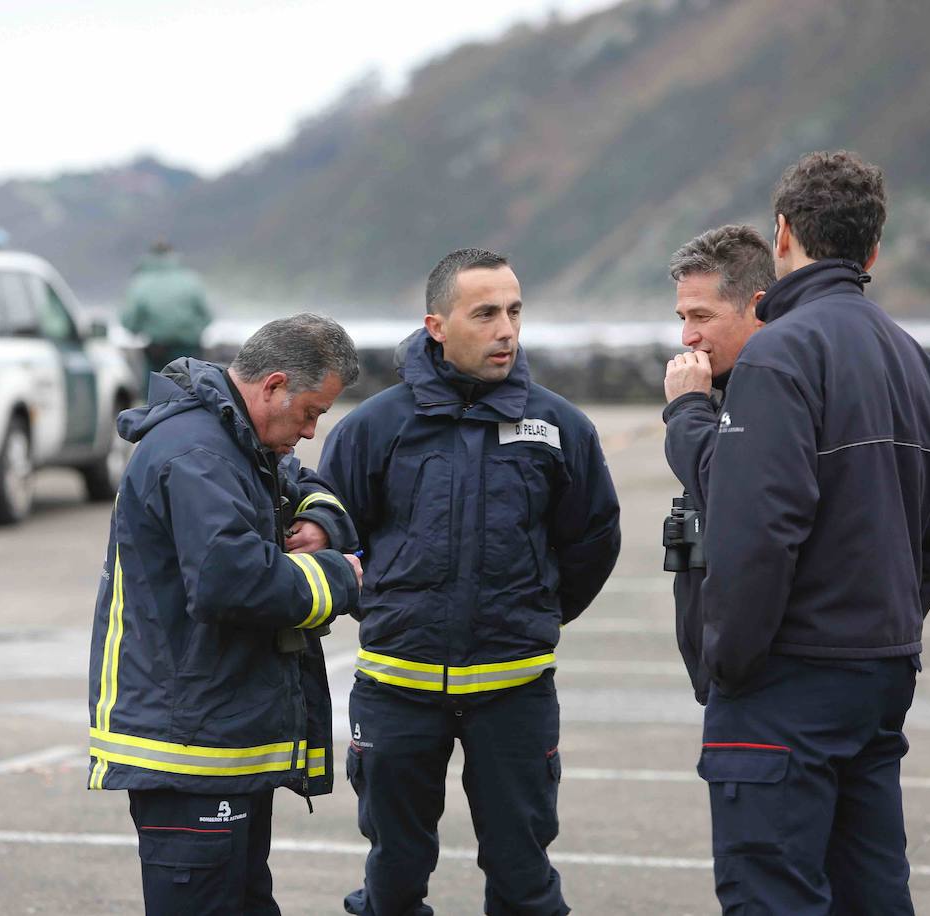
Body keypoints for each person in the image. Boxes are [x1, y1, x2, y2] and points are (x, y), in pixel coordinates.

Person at [319, 248, 622, 916]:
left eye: (514, 311)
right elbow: (333, 534)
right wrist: (384, 605)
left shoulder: (560, 427)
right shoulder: (374, 428)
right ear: (437, 325)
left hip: (515, 690)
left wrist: (532, 609)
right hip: (397, 688)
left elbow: (592, 540)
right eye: (485, 313)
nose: (506, 329)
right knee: (393, 879)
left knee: (524, 881)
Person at [696, 151, 930, 914]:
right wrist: (887, 624)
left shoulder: (780, 354)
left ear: (782, 235)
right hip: (879, 671)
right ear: (872, 250)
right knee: (872, 891)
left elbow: (756, 535)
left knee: (773, 892)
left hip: (788, 678)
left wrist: (732, 664)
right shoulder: (914, 360)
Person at [86, 313, 364, 915]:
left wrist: (320, 522)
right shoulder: (197, 453)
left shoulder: (236, 439)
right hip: (188, 751)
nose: (312, 431)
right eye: (311, 412)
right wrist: (340, 576)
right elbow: (230, 582)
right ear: (272, 386)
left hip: (220, 742)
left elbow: (300, 481)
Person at [660, 225, 774, 703]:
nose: (689, 337)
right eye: (684, 317)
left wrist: (686, 411)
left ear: (759, 306)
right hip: (726, 670)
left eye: (703, 316)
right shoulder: (728, 388)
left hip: (756, 678)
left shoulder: (772, 390)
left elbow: (729, 494)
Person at [120, 240, 213, 376]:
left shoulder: (141, 282)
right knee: (190, 390)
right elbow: (207, 316)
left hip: (157, 350)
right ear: (173, 255)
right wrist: (192, 332)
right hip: (188, 348)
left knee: (157, 392)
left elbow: (129, 320)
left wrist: (139, 331)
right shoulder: (191, 280)